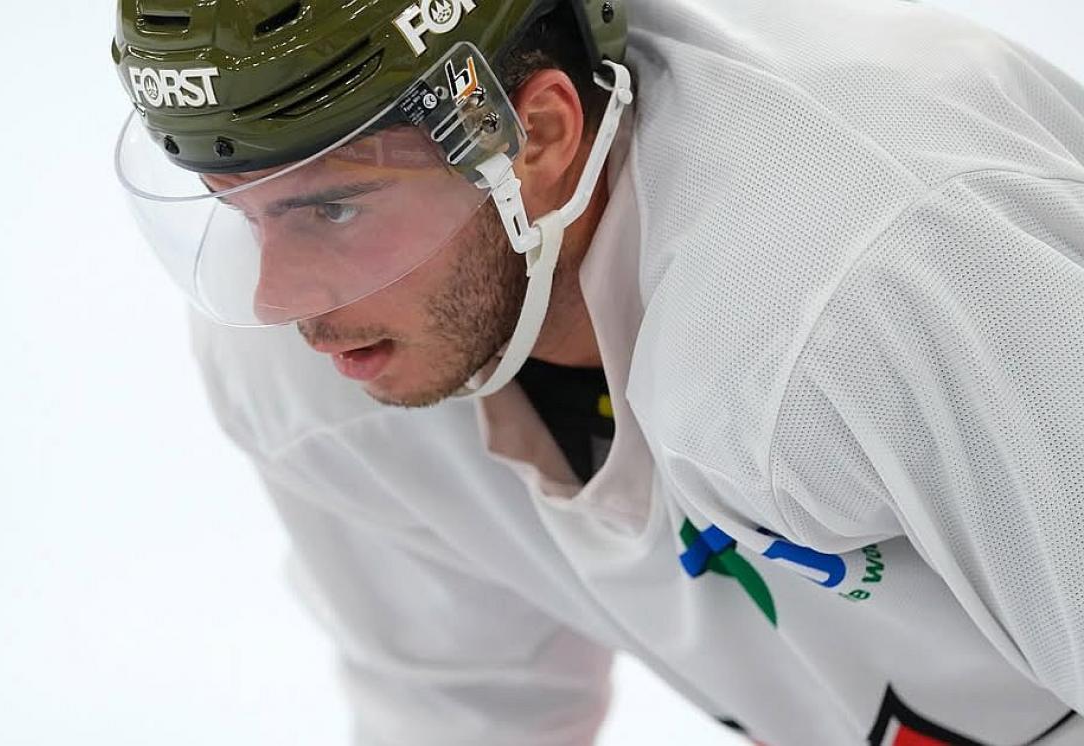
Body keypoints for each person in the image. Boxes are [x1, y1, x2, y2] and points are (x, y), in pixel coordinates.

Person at [112, 0, 1084, 742]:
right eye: (242, 209)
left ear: (532, 137)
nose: (283, 299)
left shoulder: (854, 289)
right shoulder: (314, 376)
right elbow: (465, 712)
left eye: (330, 209)